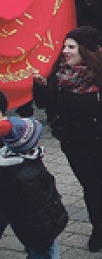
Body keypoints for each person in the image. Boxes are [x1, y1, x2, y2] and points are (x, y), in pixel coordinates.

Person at [32, 27, 102, 252]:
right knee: (90, 187)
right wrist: (39, 87)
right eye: (65, 46)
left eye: (71, 47)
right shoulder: (59, 74)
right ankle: (97, 228)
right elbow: (44, 104)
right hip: (75, 143)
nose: (65, 51)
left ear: (86, 50)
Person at [0, 91, 69, 259]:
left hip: (31, 218)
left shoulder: (24, 171)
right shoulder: (28, 162)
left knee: (42, 247)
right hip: (34, 220)